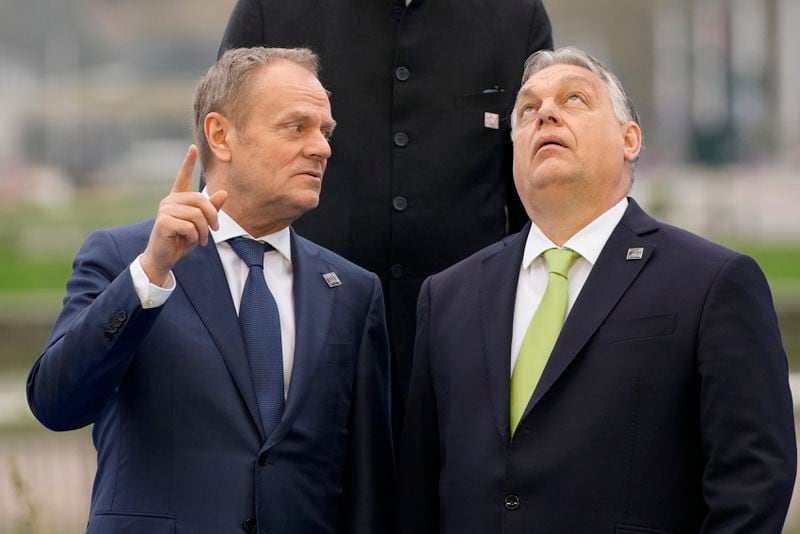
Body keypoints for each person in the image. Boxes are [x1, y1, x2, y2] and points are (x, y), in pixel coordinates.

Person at [394, 46, 796, 533]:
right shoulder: (447, 297)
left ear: (630, 139)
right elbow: (417, 491)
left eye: (574, 100)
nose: (545, 113)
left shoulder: (713, 283)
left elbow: (752, 484)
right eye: (526, 110)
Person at [27, 47, 393, 534]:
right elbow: (57, 403)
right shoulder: (125, 257)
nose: (322, 148)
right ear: (221, 135)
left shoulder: (351, 290)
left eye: (325, 132)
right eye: (296, 127)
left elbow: (368, 486)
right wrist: (151, 273)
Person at [217, 0, 553, 428]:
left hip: (469, 346)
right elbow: (224, 166)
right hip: (304, 333)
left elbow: (539, 195)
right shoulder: (271, 8)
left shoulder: (516, 14)